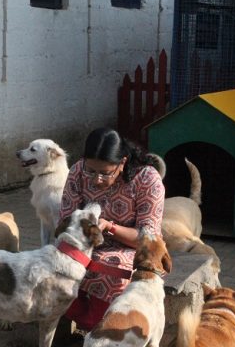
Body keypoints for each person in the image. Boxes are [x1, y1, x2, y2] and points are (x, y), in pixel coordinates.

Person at [59, 127, 165, 331]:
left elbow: (148, 238)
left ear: (122, 162)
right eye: (91, 171)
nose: (95, 179)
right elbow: (65, 219)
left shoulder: (147, 179)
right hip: (85, 242)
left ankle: (102, 328)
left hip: (132, 250)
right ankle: (88, 322)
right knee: (56, 263)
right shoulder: (78, 171)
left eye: (105, 173)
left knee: (110, 270)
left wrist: (110, 227)